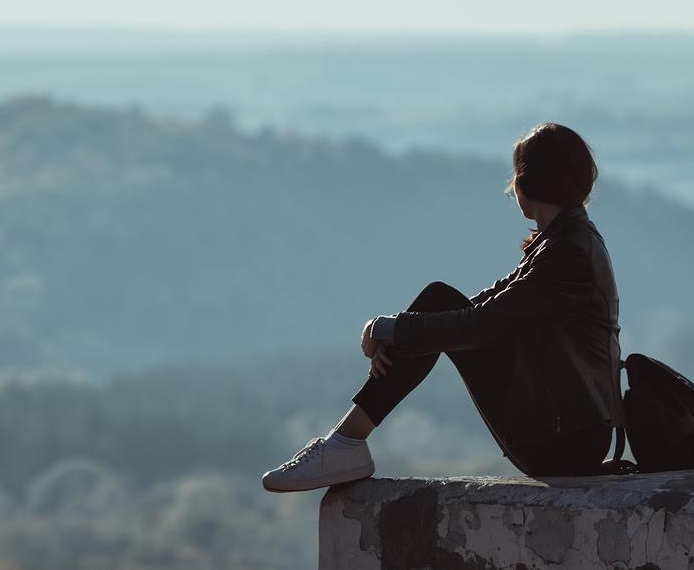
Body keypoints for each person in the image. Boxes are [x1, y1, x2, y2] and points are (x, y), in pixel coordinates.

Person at [262, 122, 624, 492]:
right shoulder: (564, 242)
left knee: (439, 304)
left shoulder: (567, 253)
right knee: (439, 306)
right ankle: (345, 444)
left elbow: (480, 324)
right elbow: (488, 305)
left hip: (564, 442)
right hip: (567, 429)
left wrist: (390, 329)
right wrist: (399, 331)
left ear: (525, 184)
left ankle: (345, 443)